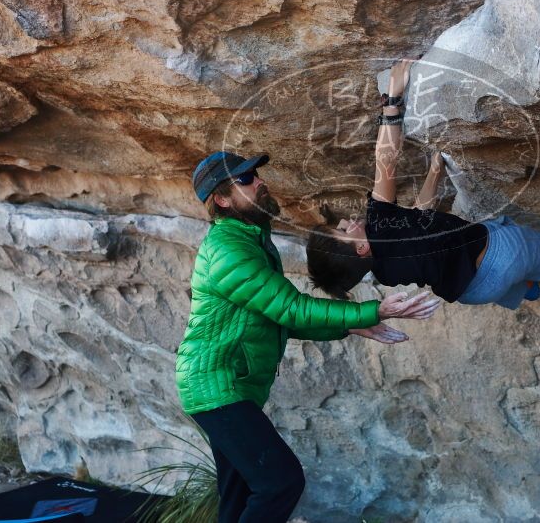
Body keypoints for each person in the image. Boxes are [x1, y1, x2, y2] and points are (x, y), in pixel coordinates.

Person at [175, 150, 441, 523]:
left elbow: (281, 319)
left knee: (238, 497)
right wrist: (373, 310)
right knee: (280, 483)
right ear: (221, 199)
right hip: (214, 387)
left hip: (228, 387)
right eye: (246, 178)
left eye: (254, 173)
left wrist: (349, 324)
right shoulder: (228, 250)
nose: (259, 180)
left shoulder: (250, 240)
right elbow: (291, 308)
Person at [306, 58, 540, 309]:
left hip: (476, 292)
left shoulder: (385, 271)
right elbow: (386, 159)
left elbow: (421, 218)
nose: (349, 221)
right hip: (502, 256)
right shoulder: (380, 223)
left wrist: (435, 173)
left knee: (511, 271)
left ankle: (523, 292)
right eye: (344, 230)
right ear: (360, 250)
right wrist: (393, 100)